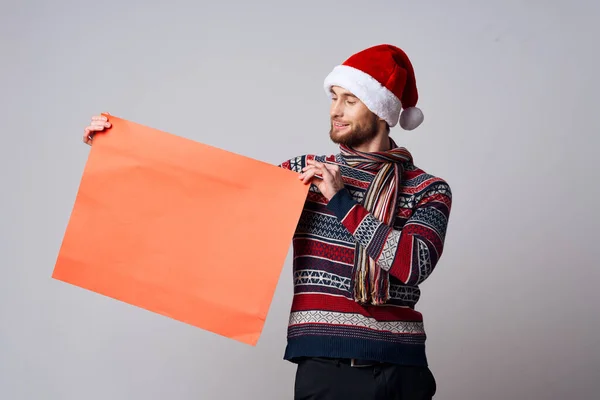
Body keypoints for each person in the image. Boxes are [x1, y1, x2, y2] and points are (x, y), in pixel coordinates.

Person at [82, 44, 452, 400]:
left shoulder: (428, 189)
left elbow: (413, 263)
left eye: (350, 100)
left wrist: (341, 200)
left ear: (381, 111)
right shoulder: (303, 173)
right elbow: (213, 204)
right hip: (326, 370)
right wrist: (118, 154)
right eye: (333, 97)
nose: (335, 110)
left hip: (403, 372)